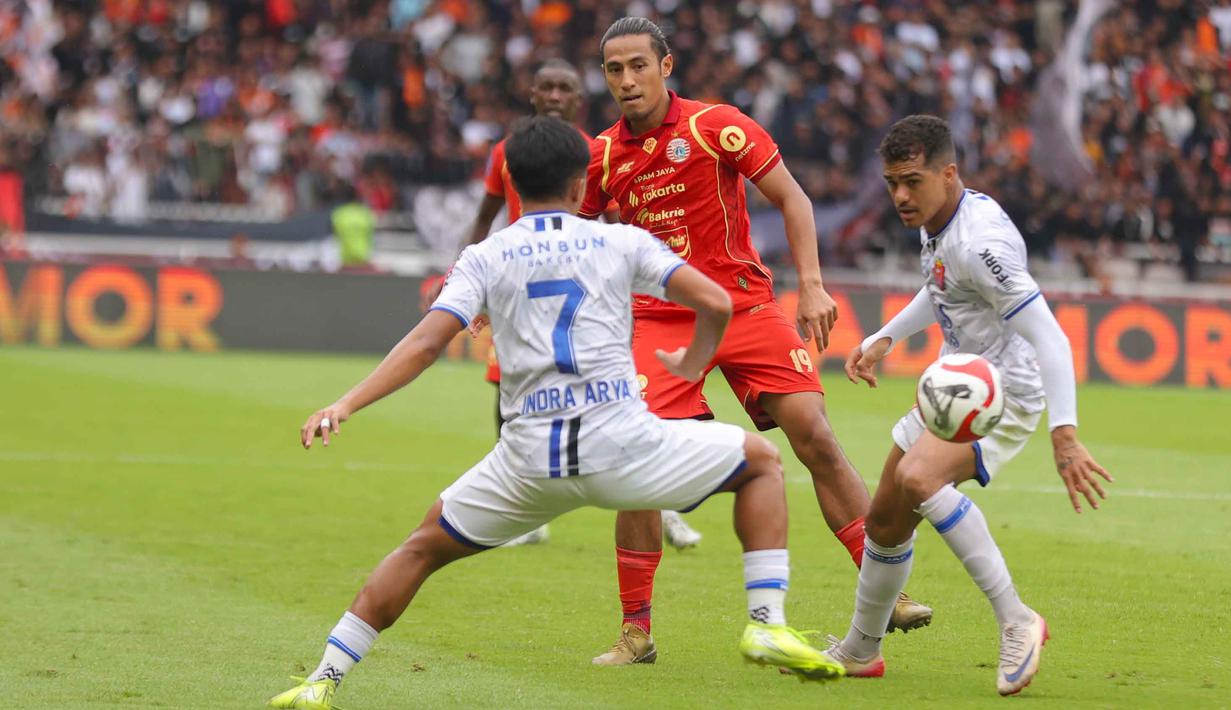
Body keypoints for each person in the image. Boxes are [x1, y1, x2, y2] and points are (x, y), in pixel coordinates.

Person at [267, 116, 844, 710]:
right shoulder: (621, 241)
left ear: (512, 180)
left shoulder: (485, 256)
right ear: (579, 187)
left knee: (418, 550)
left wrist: (345, 403)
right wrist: (693, 356)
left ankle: (322, 680)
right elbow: (717, 300)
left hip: (526, 463)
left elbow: (423, 346)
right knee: (761, 462)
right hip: (621, 447)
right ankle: (766, 620)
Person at [580, 17, 932, 666]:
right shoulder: (601, 156)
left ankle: (885, 591)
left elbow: (791, 199)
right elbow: (571, 240)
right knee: (633, 465)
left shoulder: (716, 127)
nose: (626, 80)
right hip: (660, 323)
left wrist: (813, 286)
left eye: (637, 65)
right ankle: (635, 632)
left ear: (666, 65)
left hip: (742, 307)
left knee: (815, 435)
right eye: (613, 69)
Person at [829, 115, 1113, 695]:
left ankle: (1016, 619)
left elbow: (1051, 337)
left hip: (1000, 393)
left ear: (948, 172)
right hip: (957, 383)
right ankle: (861, 650)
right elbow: (942, 282)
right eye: (891, 183)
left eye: (911, 181)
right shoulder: (940, 218)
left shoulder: (981, 243)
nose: (900, 196)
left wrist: (1065, 433)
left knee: (917, 476)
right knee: (884, 522)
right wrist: (886, 336)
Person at [420, 59, 704, 550]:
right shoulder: (506, 153)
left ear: (578, 99)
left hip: (585, 288)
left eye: (564, 89)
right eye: (546, 86)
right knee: (507, 389)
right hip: (521, 289)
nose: (554, 95)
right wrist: (461, 277)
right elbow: (485, 216)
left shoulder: (595, 152)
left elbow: (617, 218)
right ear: (532, 94)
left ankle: (664, 504)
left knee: (628, 389)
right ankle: (525, 507)